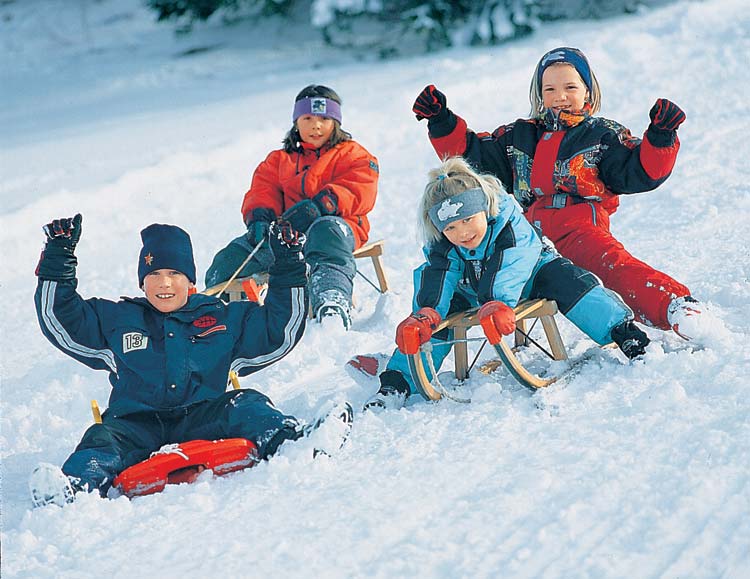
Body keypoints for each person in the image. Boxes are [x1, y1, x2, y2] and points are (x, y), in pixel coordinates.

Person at [29, 214, 353, 508]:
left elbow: (278, 328)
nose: (164, 283)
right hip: (136, 424)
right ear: (142, 282)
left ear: (191, 281)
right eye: (154, 274)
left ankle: (293, 442)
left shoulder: (221, 317)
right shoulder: (119, 318)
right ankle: (73, 487)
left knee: (247, 403)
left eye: (174, 273)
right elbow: (62, 317)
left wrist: (287, 263)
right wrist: (59, 257)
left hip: (204, 416)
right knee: (101, 437)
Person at [412, 47, 722, 343]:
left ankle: (674, 304)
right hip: (527, 232)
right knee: (462, 272)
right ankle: (411, 356)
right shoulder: (519, 135)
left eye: (570, 87)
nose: (560, 97)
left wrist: (660, 136)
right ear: (539, 95)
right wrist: (441, 122)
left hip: (579, 226)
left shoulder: (602, 135)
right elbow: (473, 159)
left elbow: (639, 171)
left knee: (609, 265)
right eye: (549, 89)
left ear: (588, 90)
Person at [363, 157, 649, 411]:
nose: (462, 233)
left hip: (531, 276)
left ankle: (624, 332)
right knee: (435, 316)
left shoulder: (508, 224)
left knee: (568, 280)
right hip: (474, 290)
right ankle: (399, 380)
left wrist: (497, 300)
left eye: (467, 220)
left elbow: (512, 261)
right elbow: (438, 275)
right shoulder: (443, 244)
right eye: (450, 228)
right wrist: (425, 313)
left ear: (483, 209)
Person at [205, 84, 380, 330]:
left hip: (336, 228)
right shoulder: (279, 159)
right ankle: (218, 310)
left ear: (336, 123)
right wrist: (260, 218)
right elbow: (262, 190)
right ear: (296, 122)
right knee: (233, 257)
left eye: (324, 119)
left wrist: (321, 205)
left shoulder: (353, 154)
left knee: (325, 231)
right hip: (287, 233)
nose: (315, 125)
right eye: (307, 118)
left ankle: (331, 297)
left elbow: (360, 186)